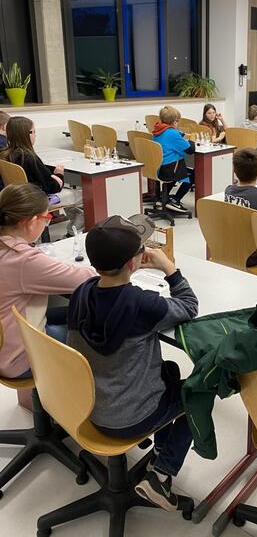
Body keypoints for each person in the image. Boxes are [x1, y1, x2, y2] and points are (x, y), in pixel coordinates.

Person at [67, 214, 198, 511]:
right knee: (199, 392)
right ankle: (161, 475)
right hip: (130, 418)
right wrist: (169, 268)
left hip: (89, 407)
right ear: (133, 263)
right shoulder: (142, 304)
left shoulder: (81, 293)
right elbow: (189, 306)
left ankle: (159, 451)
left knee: (170, 370)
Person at [0, 183, 95, 378]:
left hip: (7, 341)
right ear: (30, 222)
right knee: (98, 329)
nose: (47, 223)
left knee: (75, 312)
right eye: (47, 218)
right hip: (19, 357)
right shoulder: (22, 259)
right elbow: (85, 278)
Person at [1, 116, 83, 233]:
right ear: (26, 134)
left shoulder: (5, 154)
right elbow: (53, 188)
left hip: (18, 197)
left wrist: (52, 176)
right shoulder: (29, 158)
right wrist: (59, 175)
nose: (36, 135)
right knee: (83, 195)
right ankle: (74, 232)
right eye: (34, 132)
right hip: (38, 200)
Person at [152, 106, 195, 214]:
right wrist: (192, 140)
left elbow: (171, 136)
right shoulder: (172, 133)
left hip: (159, 168)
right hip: (169, 170)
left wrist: (180, 134)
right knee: (194, 174)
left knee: (177, 169)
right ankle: (176, 200)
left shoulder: (157, 130)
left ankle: (162, 198)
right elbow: (190, 150)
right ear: (174, 121)